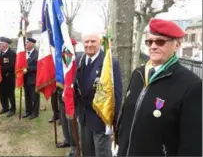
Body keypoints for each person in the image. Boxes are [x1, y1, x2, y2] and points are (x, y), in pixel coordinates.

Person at [117, 18, 202, 156]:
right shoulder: (138, 74)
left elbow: (192, 144)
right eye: (149, 42)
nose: (153, 46)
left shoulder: (191, 85)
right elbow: (127, 117)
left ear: (177, 45)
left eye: (160, 42)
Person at [74, 29, 122, 157]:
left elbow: (116, 94)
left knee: (102, 153)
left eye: (93, 41)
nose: (89, 44)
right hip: (83, 117)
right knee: (87, 152)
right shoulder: (79, 59)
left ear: (100, 42)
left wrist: (112, 121)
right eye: (86, 41)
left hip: (100, 119)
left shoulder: (110, 63)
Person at [55, 38, 79, 152]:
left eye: (72, 47)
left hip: (71, 94)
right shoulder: (62, 60)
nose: (69, 50)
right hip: (61, 92)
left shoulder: (77, 59)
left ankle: (75, 146)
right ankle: (67, 139)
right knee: (64, 119)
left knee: (71, 121)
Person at [0, 37, 16, 117]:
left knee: (10, 94)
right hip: (1, 77)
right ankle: (5, 107)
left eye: (1, 44)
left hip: (9, 77)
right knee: (2, 93)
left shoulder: (11, 53)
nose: (0, 46)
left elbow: (11, 66)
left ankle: (12, 109)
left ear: (5, 44)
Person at [22, 38, 40, 120]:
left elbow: (39, 67)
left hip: (33, 79)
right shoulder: (24, 53)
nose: (26, 44)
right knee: (27, 96)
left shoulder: (37, 54)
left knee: (34, 97)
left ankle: (35, 113)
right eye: (26, 42)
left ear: (32, 44)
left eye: (27, 42)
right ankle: (28, 111)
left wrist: (28, 68)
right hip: (25, 79)